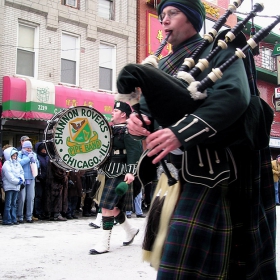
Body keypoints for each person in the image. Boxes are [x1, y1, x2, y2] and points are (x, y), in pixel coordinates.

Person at [119, 0, 277, 279]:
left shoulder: (220, 50)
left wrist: (181, 132)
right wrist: (136, 123)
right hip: (171, 179)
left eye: (173, 13)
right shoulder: (163, 63)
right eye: (162, 14)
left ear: (193, 19)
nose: (164, 20)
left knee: (183, 269)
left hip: (208, 175)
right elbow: (148, 114)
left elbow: (233, 96)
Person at [89, 101, 143, 255]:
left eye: (115, 110)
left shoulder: (130, 130)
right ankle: (131, 231)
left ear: (123, 114)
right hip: (108, 169)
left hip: (121, 171)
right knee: (114, 208)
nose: (112, 112)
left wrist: (131, 172)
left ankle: (104, 243)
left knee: (106, 206)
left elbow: (135, 151)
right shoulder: (110, 129)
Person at [17, 140, 39, 223]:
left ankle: (29, 216)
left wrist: (35, 161)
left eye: (30, 148)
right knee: (22, 198)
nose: (29, 149)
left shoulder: (34, 154)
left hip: (31, 178)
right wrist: (28, 158)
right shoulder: (19, 154)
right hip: (22, 179)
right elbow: (19, 163)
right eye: (27, 148)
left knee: (30, 198)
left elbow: (38, 165)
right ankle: (20, 216)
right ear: (23, 147)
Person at [2, 147, 24, 225]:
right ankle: (7, 219)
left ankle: (13, 218)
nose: (14, 157)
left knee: (14, 204)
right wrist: (18, 181)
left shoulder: (17, 163)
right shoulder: (6, 164)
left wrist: (21, 180)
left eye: (15, 156)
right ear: (9, 156)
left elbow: (21, 172)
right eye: (13, 156)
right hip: (9, 186)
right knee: (8, 204)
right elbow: (9, 176)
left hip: (16, 187)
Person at [34, 142, 49, 220]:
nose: (44, 150)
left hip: (46, 179)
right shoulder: (37, 157)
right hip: (39, 179)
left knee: (45, 196)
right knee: (38, 196)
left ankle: (44, 211)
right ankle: (38, 212)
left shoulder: (47, 157)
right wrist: (39, 176)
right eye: (43, 149)